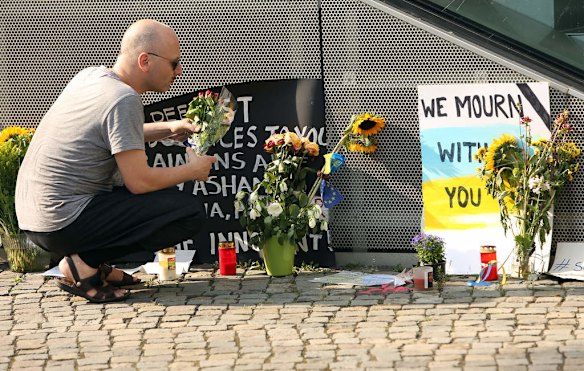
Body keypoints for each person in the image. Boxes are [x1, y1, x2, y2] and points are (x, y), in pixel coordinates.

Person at [15, 19, 217, 303]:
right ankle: (83, 263)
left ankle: (92, 263)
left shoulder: (92, 77)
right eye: (174, 63)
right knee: (186, 212)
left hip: (34, 217)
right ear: (145, 60)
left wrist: (168, 128)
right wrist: (192, 170)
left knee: (164, 204)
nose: (179, 71)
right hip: (62, 221)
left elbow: (106, 134)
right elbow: (139, 182)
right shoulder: (123, 99)